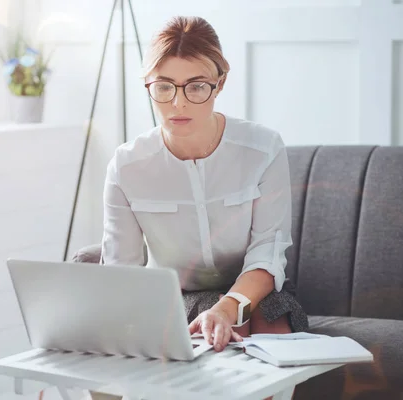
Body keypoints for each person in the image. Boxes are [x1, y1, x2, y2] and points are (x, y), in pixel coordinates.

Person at [87, 15, 308, 400]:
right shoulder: (126, 166)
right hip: (170, 300)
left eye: (196, 87)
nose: (179, 103)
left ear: (220, 82)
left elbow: (267, 255)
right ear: (148, 86)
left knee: (269, 322)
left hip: (248, 296)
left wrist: (224, 310)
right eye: (164, 87)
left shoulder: (263, 150)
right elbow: (121, 270)